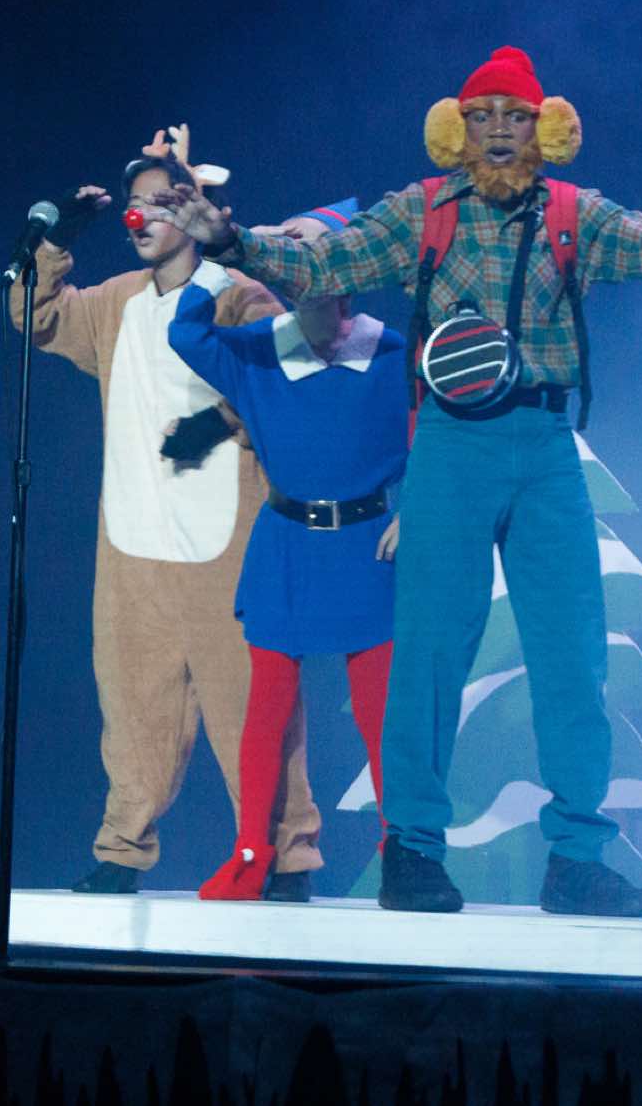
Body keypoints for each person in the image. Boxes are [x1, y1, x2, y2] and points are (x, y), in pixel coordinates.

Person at [142, 48, 642, 917]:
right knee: (429, 653)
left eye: (516, 116)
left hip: (543, 446)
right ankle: (412, 850)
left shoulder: (573, 213)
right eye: (483, 115)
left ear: (546, 128)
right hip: (453, 445)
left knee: (572, 654)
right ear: (457, 129)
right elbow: (323, 266)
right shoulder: (420, 211)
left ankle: (575, 857)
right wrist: (230, 241)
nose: (500, 130)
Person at [10, 126, 324, 898]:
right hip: (133, 549)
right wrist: (55, 242)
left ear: (191, 208)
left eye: (159, 201)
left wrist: (222, 420)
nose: (140, 216)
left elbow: (297, 374)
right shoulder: (115, 304)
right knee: (132, 710)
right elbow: (33, 314)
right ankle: (122, 848)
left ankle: (286, 855)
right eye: (133, 203)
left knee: (254, 710)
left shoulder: (239, 295)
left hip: (226, 550)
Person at [165, 198, 411, 901]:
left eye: (323, 270)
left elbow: (439, 429)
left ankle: (402, 850)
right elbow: (186, 332)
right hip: (287, 549)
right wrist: (223, 256)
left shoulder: (392, 352)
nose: (313, 285)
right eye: (296, 270)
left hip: (367, 548)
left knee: (379, 713)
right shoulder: (260, 350)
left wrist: (418, 508)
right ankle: (251, 851)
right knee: (266, 711)